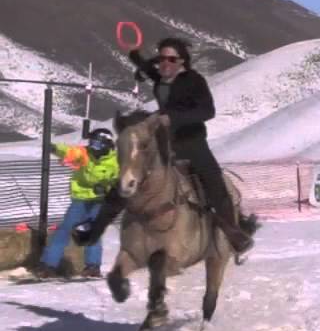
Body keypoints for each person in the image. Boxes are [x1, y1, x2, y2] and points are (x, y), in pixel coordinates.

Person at [73, 37, 258, 255]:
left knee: (214, 183)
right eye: (162, 59)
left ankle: (233, 233)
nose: (165, 63)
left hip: (192, 141)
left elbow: (208, 111)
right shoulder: (161, 78)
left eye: (171, 59)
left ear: (182, 61)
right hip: (165, 140)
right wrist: (134, 54)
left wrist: (174, 117)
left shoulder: (194, 80)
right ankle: (93, 230)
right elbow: (148, 69)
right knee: (130, 175)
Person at [32, 129, 119, 279]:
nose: (93, 147)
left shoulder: (115, 162)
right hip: (81, 200)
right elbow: (70, 152)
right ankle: (48, 265)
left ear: (106, 144)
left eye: (97, 144)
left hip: (99, 202)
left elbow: (119, 182)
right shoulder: (85, 153)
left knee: (93, 233)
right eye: (92, 143)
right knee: (64, 231)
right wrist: (55, 148)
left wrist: (106, 187)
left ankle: (93, 266)